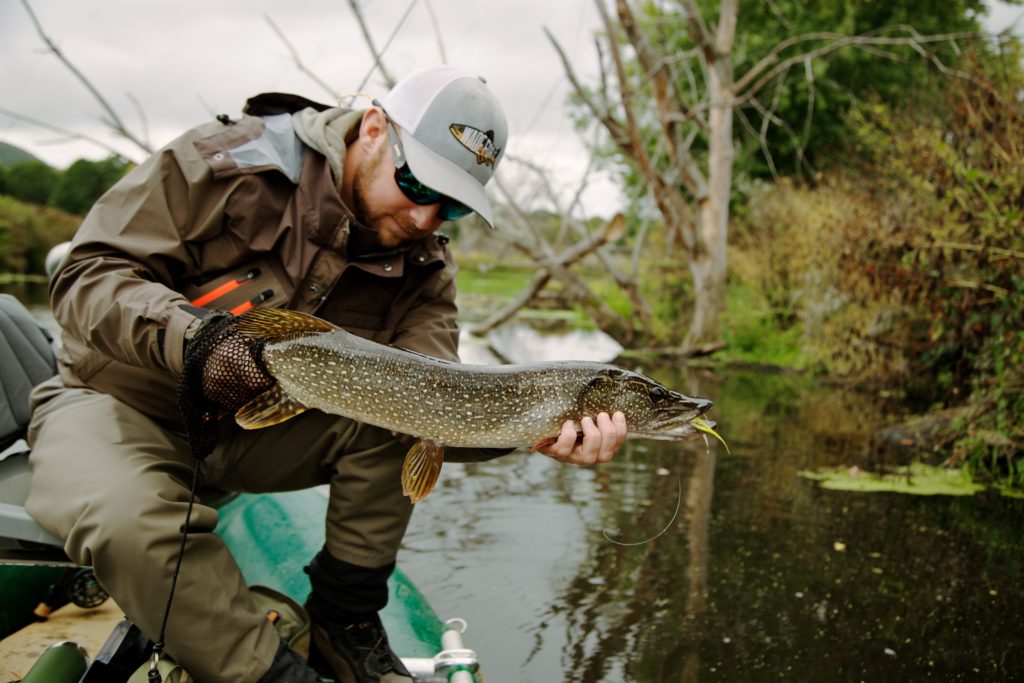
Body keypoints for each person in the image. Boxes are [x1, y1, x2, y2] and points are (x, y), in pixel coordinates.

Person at [24, 66, 628, 683]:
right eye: (418, 183)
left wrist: (532, 432)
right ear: (373, 129)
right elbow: (86, 275)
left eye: (453, 206)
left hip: (253, 432)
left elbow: (440, 406)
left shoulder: (425, 266)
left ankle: (344, 620)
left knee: (394, 423)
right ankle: (273, 674)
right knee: (128, 519)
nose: (426, 219)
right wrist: (199, 342)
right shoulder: (225, 164)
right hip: (116, 400)